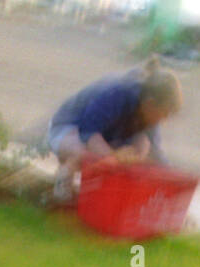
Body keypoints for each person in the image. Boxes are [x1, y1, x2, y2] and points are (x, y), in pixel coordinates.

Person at [47, 57, 183, 204]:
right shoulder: (118, 92)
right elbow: (87, 132)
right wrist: (111, 157)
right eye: (163, 114)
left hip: (103, 135)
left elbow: (155, 152)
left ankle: (104, 188)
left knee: (143, 144)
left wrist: (175, 177)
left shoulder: (148, 110)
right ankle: (64, 178)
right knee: (97, 157)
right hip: (68, 130)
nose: (163, 121)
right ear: (150, 104)